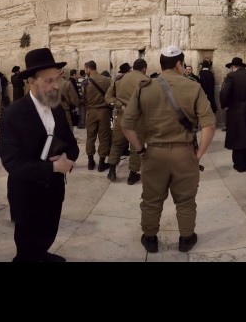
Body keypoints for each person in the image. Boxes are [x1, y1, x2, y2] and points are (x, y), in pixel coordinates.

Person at [121, 45, 216, 253]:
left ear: (160, 65)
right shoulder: (193, 87)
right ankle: (186, 239)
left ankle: (151, 239)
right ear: (179, 64)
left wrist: (140, 150)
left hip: (154, 153)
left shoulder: (145, 87)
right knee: (186, 200)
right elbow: (209, 125)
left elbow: (126, 125)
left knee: (151, 200)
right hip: (184, 154)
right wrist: (198, 154)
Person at [0, 48, 79, 262]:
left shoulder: (57, 109)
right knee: (26, 244)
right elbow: (11, 162)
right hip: (27, 192)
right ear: (31, 82)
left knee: (48, 231)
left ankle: (42, 254)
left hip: (53, 189)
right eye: (49, 80)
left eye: (58, 79)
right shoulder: (13, 114)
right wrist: (52, 167)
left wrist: (68, 160)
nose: (55, 85)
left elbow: (71, 144)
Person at [105, 58, 149, 184]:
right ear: (144, 69)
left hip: (122, 117)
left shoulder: (119, 79)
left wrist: (119, 105)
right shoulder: (146, 80)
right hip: (138, 119)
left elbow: (108, 97)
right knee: (136, 146)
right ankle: (132, 175)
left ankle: (112, 171)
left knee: (117, 143)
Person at [219, 57, 246, 172]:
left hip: (236, 110)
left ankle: (240, 165)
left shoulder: (231, 76)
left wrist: (224, 105)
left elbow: (224, 93)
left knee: (238, 137)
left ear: (233, 67)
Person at [83, 60, 112, 171]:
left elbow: (84, 99)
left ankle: (90, 162)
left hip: (91, 111)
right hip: (104, 111)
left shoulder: (86, 83)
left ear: (88, 68)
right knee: (104, 137)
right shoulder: (107, 80)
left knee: (90, 136)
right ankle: (101, 163)